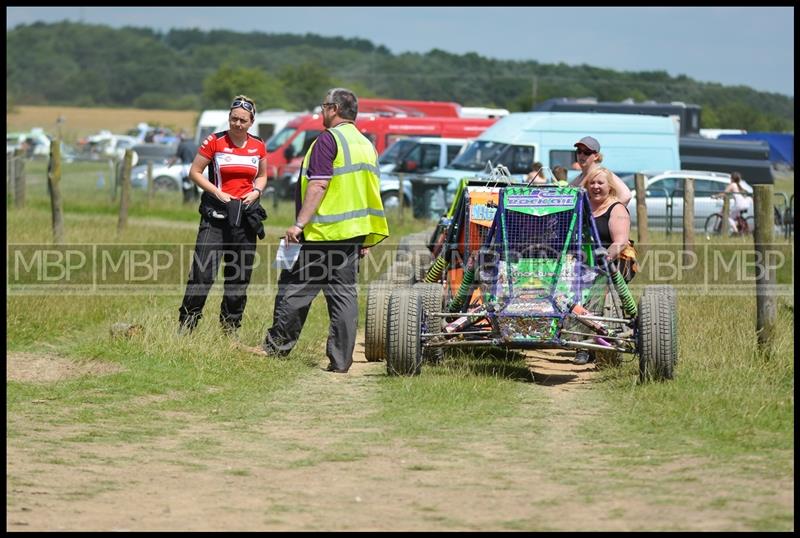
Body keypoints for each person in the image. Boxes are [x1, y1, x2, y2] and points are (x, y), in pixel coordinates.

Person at [255, 87, 389, 374]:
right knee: (343, 297)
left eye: (323, 106)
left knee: (295, 290)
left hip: (322, 234)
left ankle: (276, 348)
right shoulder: (367, 145)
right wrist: (364, 237)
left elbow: (319, 184)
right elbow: (367, 192)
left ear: (334, 109)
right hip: (353, 235)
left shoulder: (328, 140)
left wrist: (299, 224)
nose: (321, 112)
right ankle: (341, 362)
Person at [177, 95, 268, 335]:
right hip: (215, 217)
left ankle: (230, 329)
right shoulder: (214, 141)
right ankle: (187, 326)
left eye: (243, 120)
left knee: (238, 277)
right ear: (229, 118)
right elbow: (194, 172)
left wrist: (257, 191)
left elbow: (262, 175)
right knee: (202, 274)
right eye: (234, 118)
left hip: (245, 218)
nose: (237, 124)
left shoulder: (258, 145)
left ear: (251, 122)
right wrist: (217, 192)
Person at [573, 167, 637, 366]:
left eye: (600, 183)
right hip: (582, 263)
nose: (595, 187)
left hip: (611, 263)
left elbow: (620, 242)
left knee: (594, 288)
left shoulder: (616, 208)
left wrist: (605, 257)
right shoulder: (581, 206)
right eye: (592, 183)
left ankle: (583, 346)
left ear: (610, 186)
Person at [568, 136, 632, 206]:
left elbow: (626, 196)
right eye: (579, 151)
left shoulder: (602, 174)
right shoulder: (578, 178)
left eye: (587, 152)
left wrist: (604, 212)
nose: (581, 155)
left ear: (596, 156)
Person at [169, 130, 200, 203]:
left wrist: (170, 165)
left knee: (186, 184)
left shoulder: (182, 145)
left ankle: (187, 200)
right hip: (195, 166)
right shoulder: (195, 144)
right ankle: (196, 199)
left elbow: (176, 157)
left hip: (186, 166)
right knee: (196, 184)